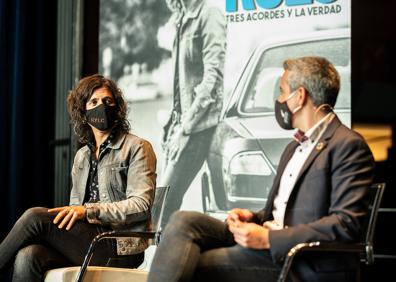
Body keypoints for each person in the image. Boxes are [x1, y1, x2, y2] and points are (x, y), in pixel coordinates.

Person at [147, 56, 375, 282]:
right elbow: (279, 213)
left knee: (194, 263)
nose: (280, 99)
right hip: (271, 245)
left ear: (300, 96)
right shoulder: (293, 147)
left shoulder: (347, 145)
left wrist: (268, 239)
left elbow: (346, 224)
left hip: (301, 261)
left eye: (283, 91)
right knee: (184, 221)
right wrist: (252, 217)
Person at [0, 74, 157, 281]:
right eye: (94, 102)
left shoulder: (137, 147)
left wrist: (88, 210)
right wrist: (76, 216)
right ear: (83, 113)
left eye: (108, 101)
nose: (102, 106)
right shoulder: (82, 156)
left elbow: (141, 205)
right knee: (28, 256)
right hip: (87, 242)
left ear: (117, 109)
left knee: (35, 217)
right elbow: (73, 211)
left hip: (119, 247)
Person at [160, 0, 227, 227]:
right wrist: (173, 125)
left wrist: (185, 128)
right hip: (181, 125)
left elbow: (211, 80)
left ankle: (170, 259)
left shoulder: (209, 15)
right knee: (161, 206)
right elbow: (182, 82)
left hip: (199, 126)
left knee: (163, 207)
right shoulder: (183, 18)